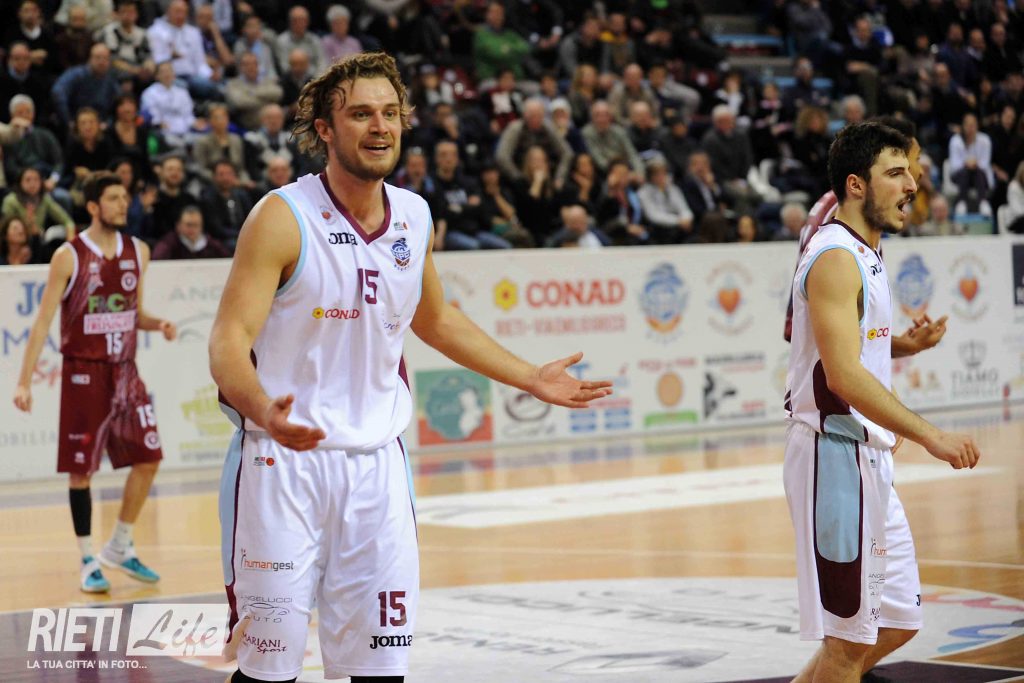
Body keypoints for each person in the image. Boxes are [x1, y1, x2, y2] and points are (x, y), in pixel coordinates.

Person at [208, 51, 611, 683]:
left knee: (382, 669)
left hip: (378, 470)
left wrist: (529, 377)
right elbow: (228, 340)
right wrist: (261, 407)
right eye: (361, 114)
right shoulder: (282, 217)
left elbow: (436, 319)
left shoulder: (414, 215)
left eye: (390, 113)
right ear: (325, 129)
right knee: (269, 672)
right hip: (281, 466)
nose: (380, 127)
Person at [784, 122, 981, 683]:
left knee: (898, 621)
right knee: (848, 645)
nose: (912, 184)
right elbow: (843, 375)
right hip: (833, 461)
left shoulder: (866, 249)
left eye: (910, 172)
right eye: (895, 173)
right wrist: (931, 435)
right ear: (856, 185)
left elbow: (849, 340)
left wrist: (901, 345)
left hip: (867, 460)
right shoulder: (835, 256)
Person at [12, 171, 177, 593]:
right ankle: (88, 559)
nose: (124, 204)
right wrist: (24, 382)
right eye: (114, 197)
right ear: (92, 206)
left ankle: (119, 544)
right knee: (81, 471)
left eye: (125, 196)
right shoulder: (69, 256)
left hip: (126, 372)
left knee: (149, 458)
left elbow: (132, 313)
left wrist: (157, 324)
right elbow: (42, 323)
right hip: (84, 373)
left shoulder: (138, 251)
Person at [783, 117, 947, 350]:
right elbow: (835, 350)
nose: (918, 174)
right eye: (915, 160)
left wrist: (907, 345)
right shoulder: (839, 232)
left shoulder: (860, 223)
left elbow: (856, 335)